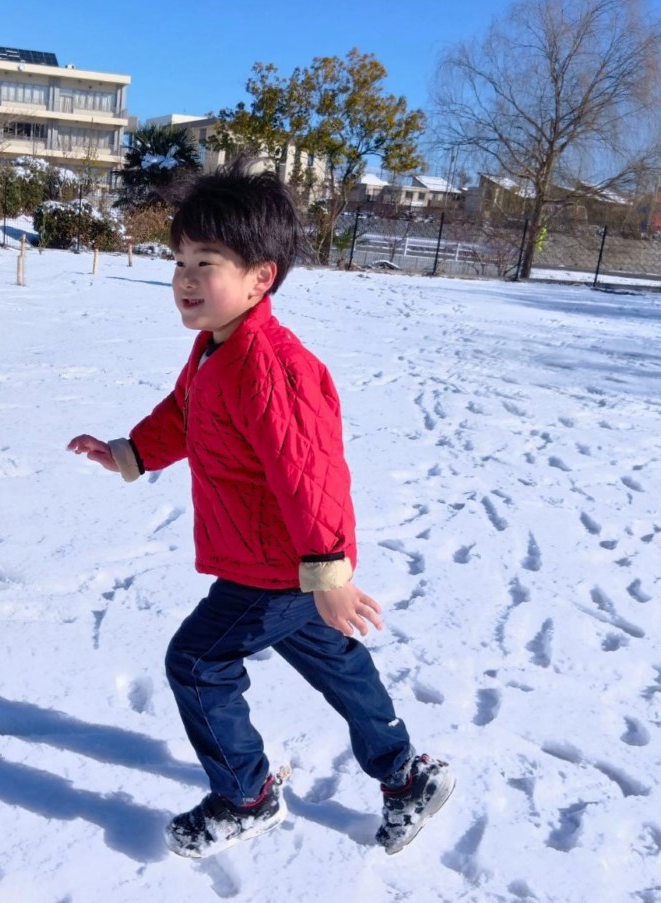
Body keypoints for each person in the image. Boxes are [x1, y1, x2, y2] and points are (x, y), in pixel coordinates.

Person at [67, 159, 452, 859]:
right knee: (337, 663)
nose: (185, 278)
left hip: (277, 565)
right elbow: (184, 414)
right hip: (276, 561)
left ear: (260, 278)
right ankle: (407, 776)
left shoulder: (270, 366)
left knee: (197, 662)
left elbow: (311, 474)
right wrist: (130, 452)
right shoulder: (215, 349)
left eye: (206, 262)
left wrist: (328, 572)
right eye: (179, 260)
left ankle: (246, 796)